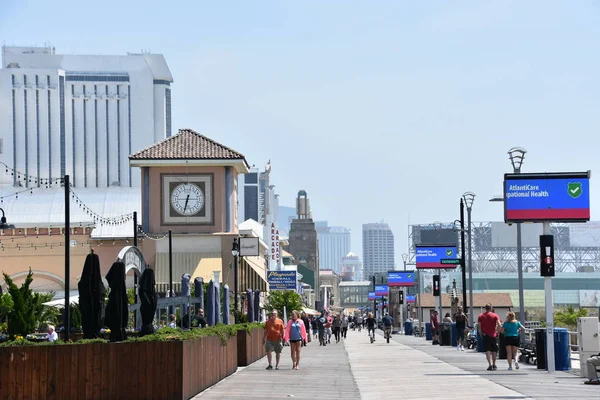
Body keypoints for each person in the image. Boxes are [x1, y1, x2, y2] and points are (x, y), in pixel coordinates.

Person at [478, 304, 502, 371]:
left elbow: (479, 327)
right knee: (494, 350)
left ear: (485, 308)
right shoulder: (495, 315)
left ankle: (490, 365)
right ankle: (494, 364)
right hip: (493, 335)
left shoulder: (481, 316)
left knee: (487, 350)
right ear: (491, 308)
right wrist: (498, 332)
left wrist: (481, 335)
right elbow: (499, 325)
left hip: (485, 335)